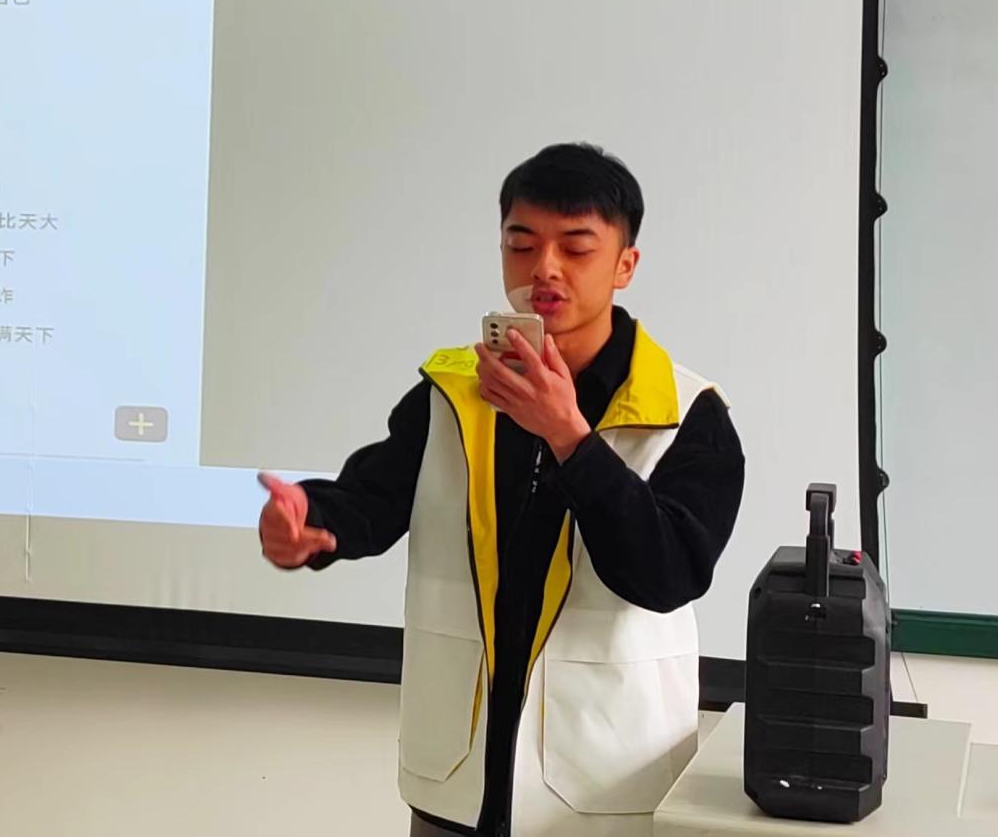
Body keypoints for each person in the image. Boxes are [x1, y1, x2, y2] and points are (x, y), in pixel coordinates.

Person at [258, 143, 745, 837]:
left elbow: (667, 574)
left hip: (604, 789)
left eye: (576, 247)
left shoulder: (686, 412)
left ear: (625, 265)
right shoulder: (454, 392)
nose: (544, 267)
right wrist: (308, 521)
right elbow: (369, 500)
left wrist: (570, 437)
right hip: (459, 781)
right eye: (522, 244)